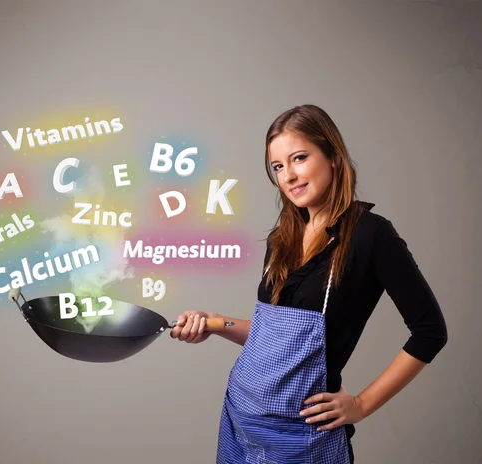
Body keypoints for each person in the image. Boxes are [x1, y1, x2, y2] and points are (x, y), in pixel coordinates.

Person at [169, 104, 448, 463]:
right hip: (241, 421)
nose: (288, 176)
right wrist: (215, 321)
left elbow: (431, 332)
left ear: (332, 155)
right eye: (278, 167)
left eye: (299, 158)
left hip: (302, 436)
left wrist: (361, 404)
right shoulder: (281, 238)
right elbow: (278, 337)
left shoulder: (370, 235)